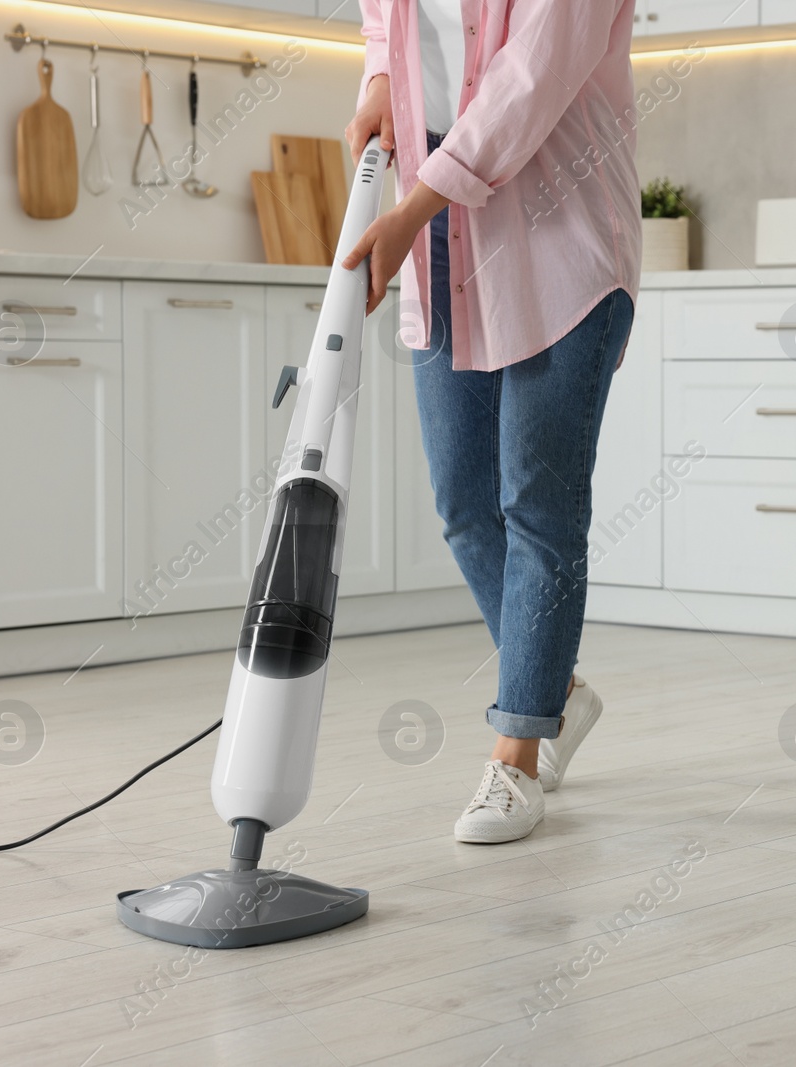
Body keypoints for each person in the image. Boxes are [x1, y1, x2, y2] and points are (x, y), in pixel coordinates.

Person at [343, 0, 642, 844]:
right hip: (445, 239)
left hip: (563, 243)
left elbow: (524, 88)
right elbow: (383, 22)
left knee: (539, 506)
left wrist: (406, 215)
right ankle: (556, 688)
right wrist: (377, 79)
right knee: (465, 503)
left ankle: (516, 755)